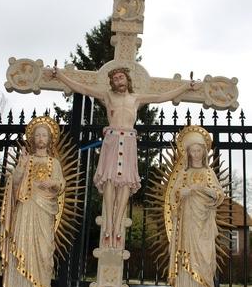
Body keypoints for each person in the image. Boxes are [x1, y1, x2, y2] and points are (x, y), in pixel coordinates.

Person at [53, 66, 197, 248]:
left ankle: (117, 227)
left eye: (120, 77)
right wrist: (61, 76)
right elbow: (82, 88)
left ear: (127, 80)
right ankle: (109, 225)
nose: (118, 81)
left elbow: (162, 97)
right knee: (110, 182)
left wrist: (185, 87)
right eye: (114, 79)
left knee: (126, 184)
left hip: (128, 140)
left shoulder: (136, 98)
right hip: (112, 140)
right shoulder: (107, 96)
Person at [0, 116, 65, 287]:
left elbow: (60, 184)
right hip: (25, 210)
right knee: (22, 252)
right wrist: (21, 167)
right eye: (37, 135)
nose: (41, 138)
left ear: (50, 138)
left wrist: (52, 184)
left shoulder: (54, 163)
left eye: (44, 134)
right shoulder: (26, 159)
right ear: (32, 138)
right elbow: (15, 184)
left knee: (43, 255)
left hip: (44, 213)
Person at [166, 126, 224, 287]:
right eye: (192, 150)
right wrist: (181, 195)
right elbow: (173, 198)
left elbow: (219, 195)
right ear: (188, 153)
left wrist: (201, 189)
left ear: (204, 152)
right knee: (186, 263)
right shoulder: (183, 174)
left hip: (204, 227)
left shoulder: (208, 173)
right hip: (187, 225)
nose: (196, 154)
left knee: (206, 263)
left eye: (199, 150)